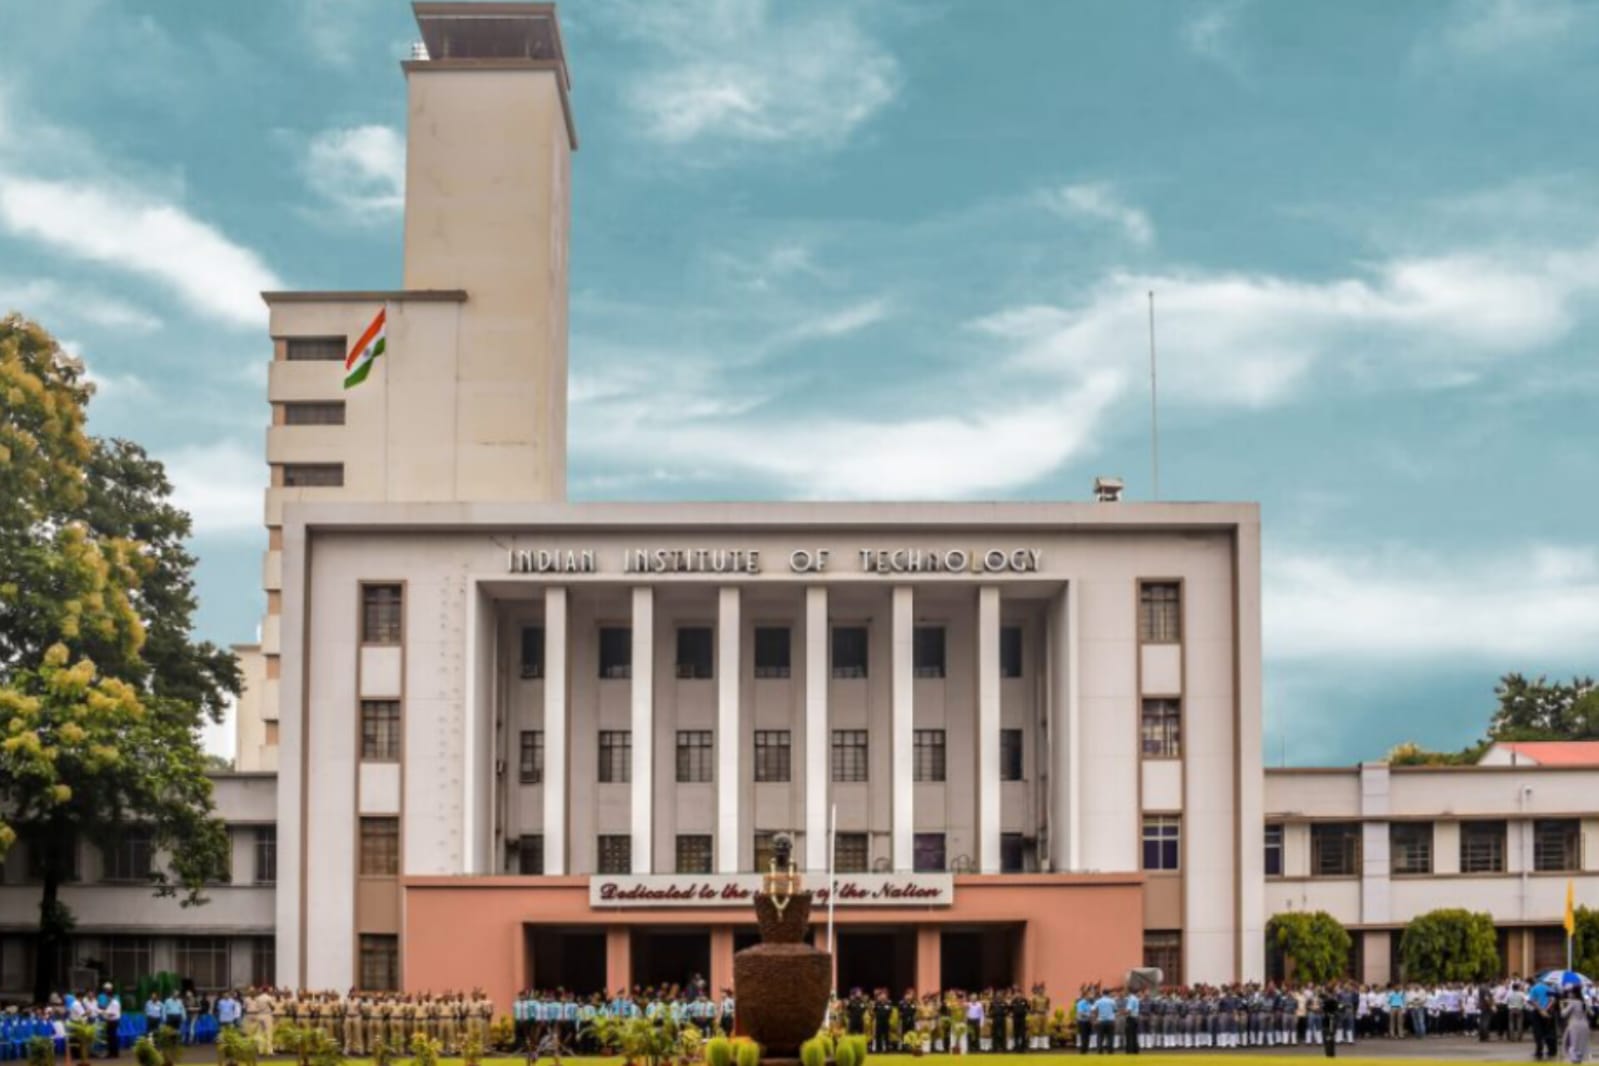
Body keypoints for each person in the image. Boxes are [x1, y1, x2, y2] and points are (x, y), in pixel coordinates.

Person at [1528, 979, 1554, 1061]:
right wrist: (1546, 1009)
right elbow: (1552, 1000)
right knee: (1548, 1031)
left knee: (1538, 1032)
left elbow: (1532, 1001)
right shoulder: (1549, 988)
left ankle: (1539, 1052)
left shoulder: (1534, 988)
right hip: (1547, 1011)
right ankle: (1551, 1051)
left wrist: (1540, 1010)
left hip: (1537, 1012)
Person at [1561, 989, 1589, 1064]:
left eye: (1570, 993)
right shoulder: (1584, 1002)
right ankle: (1578, 1060)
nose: (1569, 995)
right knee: (1581, 1045)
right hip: (1585, 1025)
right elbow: (1591, 1013)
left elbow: (1563, 1014)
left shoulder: (1573, 1003)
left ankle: (1574, 1060)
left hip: (1574, 1025)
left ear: (1574, 994)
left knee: (1571, 1045)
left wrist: (1562, 1006)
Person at [1092, 989, 1116, 1055]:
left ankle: (1099, 1051)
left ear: (1102, 993)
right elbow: (1115, 1010)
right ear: (1109, 993)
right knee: (1110, 1037)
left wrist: (1095, 1019)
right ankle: (1110, 1051)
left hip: (1101, 1021)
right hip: (1110, 1021)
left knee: (1100, 1037)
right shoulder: (1112, 1001)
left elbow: (1093, 1010)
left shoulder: (1098, 1001)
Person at [104, 992, 123, 1059]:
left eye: (107, 997)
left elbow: (113, 1013)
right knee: (111, 1038)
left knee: (112, 1038)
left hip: (113, 1021)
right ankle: (112, 1053)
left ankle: (113, 1053)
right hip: (111, 1021)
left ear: (110, 996)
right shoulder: (112, 1002)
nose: (106, 998)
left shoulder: (114, 1003)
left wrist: (104, 1013)